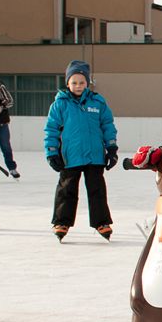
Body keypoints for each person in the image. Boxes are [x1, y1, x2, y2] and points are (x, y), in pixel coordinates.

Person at [44, 60, 118, 241]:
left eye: (82, 82)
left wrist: (111, 147)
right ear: (67, 83)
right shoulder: (60, 104)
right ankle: (61, 222)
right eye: (74, 82)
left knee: (97, 190)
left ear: (87, 83)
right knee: (66, 190)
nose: (78, 86)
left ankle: (101, 222)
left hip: (95, 155)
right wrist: (52, 152)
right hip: (70, 156)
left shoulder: (98, 102)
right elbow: (52, 129)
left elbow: (107, 125)